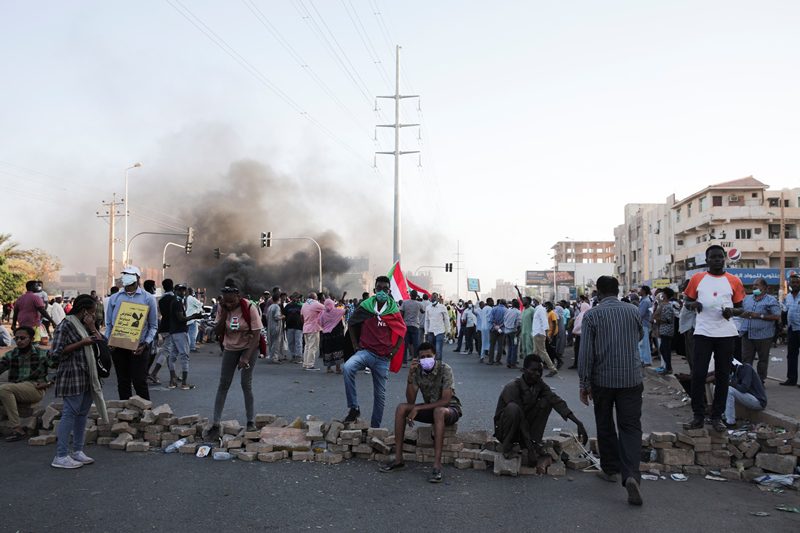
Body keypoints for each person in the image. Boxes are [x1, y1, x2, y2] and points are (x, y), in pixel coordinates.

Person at [578, 275, 644, 506]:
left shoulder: (592, 315)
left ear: (598, 292)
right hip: (631, 379)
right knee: (631, 427)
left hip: (603, 380)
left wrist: (584, 385)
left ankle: (610, 469)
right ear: (618, 290)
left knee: (605, 424)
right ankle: (631, 476)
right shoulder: (633, 311)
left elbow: (586, 353)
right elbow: (640, 336)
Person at [683, 245, 746, 432]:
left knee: (722, 375)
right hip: (703, 333)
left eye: (720, 257)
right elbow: (686, 302)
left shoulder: (734, 280)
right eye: (713, 257)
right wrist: (693, 304)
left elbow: (741, 307)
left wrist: (731, 311)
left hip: (726, 334)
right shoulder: (697, 279)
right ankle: (698, 416)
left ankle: (717, 417)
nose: (717, 260)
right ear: (707, 259)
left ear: (725, 258)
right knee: (698, 375)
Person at [379, 342, 462, 483]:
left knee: (438, 411)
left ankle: (437, 466)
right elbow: (410, 400)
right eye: (422, 357)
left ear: (435, 355)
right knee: (401, 408)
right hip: (430, 408)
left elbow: (446, 400)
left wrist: (418, 409)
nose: (426, 359)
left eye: (429, 356)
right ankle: (398, 459)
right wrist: (410, 376)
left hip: (450, 409)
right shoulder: (418, 370)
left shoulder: (445, 369)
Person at [494, 354, 587, 471]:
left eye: (540, 370)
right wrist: (530, 449)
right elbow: (520, 418)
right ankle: (507, 448)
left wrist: (578, 423)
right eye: (533, 370)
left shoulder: (539, 385)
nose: (537, 374)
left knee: (546, 401)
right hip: (506, 431)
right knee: (513, 408)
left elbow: (556, 401)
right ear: (524, 370)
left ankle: (534, 442)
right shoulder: (512, 387)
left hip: (524, 429)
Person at [49, 294, 110, 468]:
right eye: (91, 312)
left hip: (87, 375)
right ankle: (60, 455)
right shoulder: (66, 325)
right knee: (70, 413)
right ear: (84, 311)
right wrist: (81, 343)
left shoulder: (85, 326)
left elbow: (103, 344)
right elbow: (56, 353)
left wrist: (92, 327)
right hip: (72, 374)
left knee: (82, 414)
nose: (93, 315)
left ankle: (77, 450)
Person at [342, 276, 406, 427]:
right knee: (347, 367)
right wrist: (355, 345)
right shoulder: (366, 306)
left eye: (385, 289)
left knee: (380, 395)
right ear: (374, 290)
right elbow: (351, 323)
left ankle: (375, 428)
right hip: (365, 352)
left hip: (383, 357)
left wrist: (394, 350)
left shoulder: (393, 309)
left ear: (389, 291)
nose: (382, 291)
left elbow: (402, 330)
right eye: (379, 288)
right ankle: (354, 408)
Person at [205, 281, 262, 438]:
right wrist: (223, 312)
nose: (229, 304)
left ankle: (250, 422)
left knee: (246, 384)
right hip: (230, 348)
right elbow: (217, 331)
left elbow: (257, 335)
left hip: (249, 347)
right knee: (223, 384)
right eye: (226, 301)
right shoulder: (222, 308)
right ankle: (216, 423)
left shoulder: (250, 307)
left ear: (238, 296)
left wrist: (246, 357)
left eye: (232, 301)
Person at [104, 266, 158, 400]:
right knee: (123, 382)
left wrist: (145, 344)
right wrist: (109, 341)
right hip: (118, 347)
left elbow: (153, 326)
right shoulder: (114, 298)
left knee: (139, 381)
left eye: (129, 275)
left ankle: (145, 413)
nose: (126, 277)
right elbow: (109, 324)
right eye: (124, 274)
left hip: (139, 347)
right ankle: (125, 413)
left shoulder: (148, 298)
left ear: (137, 278)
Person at [0, 326, 52, 441]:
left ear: (32, 339)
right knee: (5, 389)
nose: (19, 341)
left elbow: (60, 369)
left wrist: (48, 382)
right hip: (17, 387)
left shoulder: (42, 354)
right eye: (16, 338)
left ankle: (17, 428)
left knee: (4, 389)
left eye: (22, 338)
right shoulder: (12, 354)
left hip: (35, 388)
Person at [739, 277, 781, 383]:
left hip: (764, 335)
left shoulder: (771, 300)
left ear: (765, 288)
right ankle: (746, 381)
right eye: (753, 285)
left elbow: (777, 316)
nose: (754, 287)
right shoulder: (747, 299)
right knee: (746, 359)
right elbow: (742, 311)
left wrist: (759, 315)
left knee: (762, 360)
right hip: (747, 334)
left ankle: (760, 381)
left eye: (757, 285)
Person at [166, 284, 203, 389]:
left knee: (172, 356)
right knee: (184, 356)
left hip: (174, 332)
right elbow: (181, 318)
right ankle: (184, 383)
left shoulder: (176, 301)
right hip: (180, 332)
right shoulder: (177, 302)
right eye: (180, 290)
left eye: (183, 290)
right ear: (175, 291)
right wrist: (194, 316)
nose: (182, 292)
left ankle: (172, 381)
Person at [725, 360, 767, 427]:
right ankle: (724, 416)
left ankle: (730, 422)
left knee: (729, 390)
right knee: (720, 388)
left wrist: (731, 383)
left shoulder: (746, 368)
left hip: (758, 401)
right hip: (750, 398)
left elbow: (743, 388)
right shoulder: (735, 373)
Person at [781, 272, 800, 386]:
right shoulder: (787, 297)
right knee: (791, 355)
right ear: (789, 284)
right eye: (793, 282)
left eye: (798, 282)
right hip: (792, 329)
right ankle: (791, 379)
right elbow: (785, 311)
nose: (796, 284)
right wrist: (783, 325)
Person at [532, 300, 558, 377]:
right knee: (536, 353)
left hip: (539, 333)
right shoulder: (540, 310)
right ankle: (534, 368)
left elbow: (545, 323)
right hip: (537, 333)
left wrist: (547, 335)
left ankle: (552, 369)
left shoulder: (540, 310)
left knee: (542, 352)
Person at [319, 298, 346, 373]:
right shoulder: (337, 311)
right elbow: (345, 311)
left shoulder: (323, 313)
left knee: (328, 350)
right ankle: (338, 368)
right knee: (337, 350)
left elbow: (320, 323)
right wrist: (343, 304)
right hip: (337, 335)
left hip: (327, 335)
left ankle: (328, 368)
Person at [300, 292, 325, 371]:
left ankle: (305, 364)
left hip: (306, 327)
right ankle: (310, 365)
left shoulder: (304, 304)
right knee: (313, 347)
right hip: (313, 328)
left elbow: (301, 316)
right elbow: (327, 308)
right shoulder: (315, 304)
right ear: (315, 297)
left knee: (307, 347)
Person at [654, 288, 676, 374]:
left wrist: (657, 318)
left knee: (665, 349)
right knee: (663, 349)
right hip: (664, 330)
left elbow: (668, 320)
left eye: (663, 293)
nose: (661, 295)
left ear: (666, 295)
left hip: (667, 331)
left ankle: (669, 368)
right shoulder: (664, 305)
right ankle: (668, 367)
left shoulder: (667, 306)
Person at [401, 291, 424, 364]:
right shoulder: (419, 304)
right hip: (415, 326)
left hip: (406, 325)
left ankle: (404, 362)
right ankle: (415, 359)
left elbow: (401, 313)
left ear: (410, 295)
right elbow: (423, 311)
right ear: (416, 296)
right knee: (415, 344)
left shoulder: (405, 303)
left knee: (405, 344)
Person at [677, 280, 696, 372]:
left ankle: (694, 374)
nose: (684, 287)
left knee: (693, 355)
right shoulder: (687, 297)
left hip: (691, 328)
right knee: (689, 354)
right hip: (687, 328)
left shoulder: (693, 297)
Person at [424, 293, 449, 359]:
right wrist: (426, 332)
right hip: (431, 331)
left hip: (440, 331)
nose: (433, 299)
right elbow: (426, 320)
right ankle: (432, 366)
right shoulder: (428, 308)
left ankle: (438, 366)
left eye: (435, 297)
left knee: (438, 350)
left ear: (437, 298)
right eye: (432, 297)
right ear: (430, 298)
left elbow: (446, 320)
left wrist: (448, 331)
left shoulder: (442, 307)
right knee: (431, 351)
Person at [569, 300, 591, 369]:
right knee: (583, 350)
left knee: (577, 350)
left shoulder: (582, 314)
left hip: (579, 335)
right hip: (585, 336)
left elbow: (578, 325)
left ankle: (577, 364)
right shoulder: (588, 313)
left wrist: (574, 331)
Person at [283, 293, 304, 363]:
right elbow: (284, 315)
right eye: (295, 297)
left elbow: (304, 316)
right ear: (292, 298)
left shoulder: (301, 306)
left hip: (299, 326)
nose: (296, 299)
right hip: (289, 326)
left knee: (298, 341)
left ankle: (299, 356)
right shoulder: (288, 306)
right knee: (291, 342)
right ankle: (293, 355)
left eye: (297, 297)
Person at [503, 299, 522, 368]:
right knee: (514, 348)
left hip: (507, 331)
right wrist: (517, 331)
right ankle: (513, 363)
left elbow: (504, 319)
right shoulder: (518, 312)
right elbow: (519, 323)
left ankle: (508, 362)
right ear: (518, 306)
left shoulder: (508, 311)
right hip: (514, 332)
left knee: (510, 347)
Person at [637, 286, 653, 366]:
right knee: (642, 343)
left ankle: (646, 361)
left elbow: (640, 314)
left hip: (644, 324)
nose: (639, 291)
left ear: (644, 291)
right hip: (644, 324)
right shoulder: (644, 300)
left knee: (644, 343)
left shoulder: (645, 301)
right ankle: (643, 360)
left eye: (641, 290)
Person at [487, 299, 506, 365]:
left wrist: (495, 326)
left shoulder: (494, 309)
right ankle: (498, 360)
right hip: (502, 330)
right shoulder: (506, 310)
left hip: (493, 329)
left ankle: (491, 360)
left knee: (492, 345)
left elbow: (491, 319)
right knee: (500, 346)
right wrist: (500, 326)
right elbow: (505, 321)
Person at [185, 287, 204, 353]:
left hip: (189, 319)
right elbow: (200, 304)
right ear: (192, 292)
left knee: (190, 334)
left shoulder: (188, 298)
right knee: (193, 334)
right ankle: (192, 348)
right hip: (193, 319)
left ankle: (190, 346)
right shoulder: (191, 298)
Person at [265, 294, 284, 363]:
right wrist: (282, 316)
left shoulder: (270, 307)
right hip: (276, 327)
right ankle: (275, 358)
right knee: (276, 343)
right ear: (278, 300)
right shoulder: (277, 307)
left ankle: (271, 356)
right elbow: (276, 317)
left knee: (271, 342)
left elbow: (266, 316)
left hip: (270, 326)